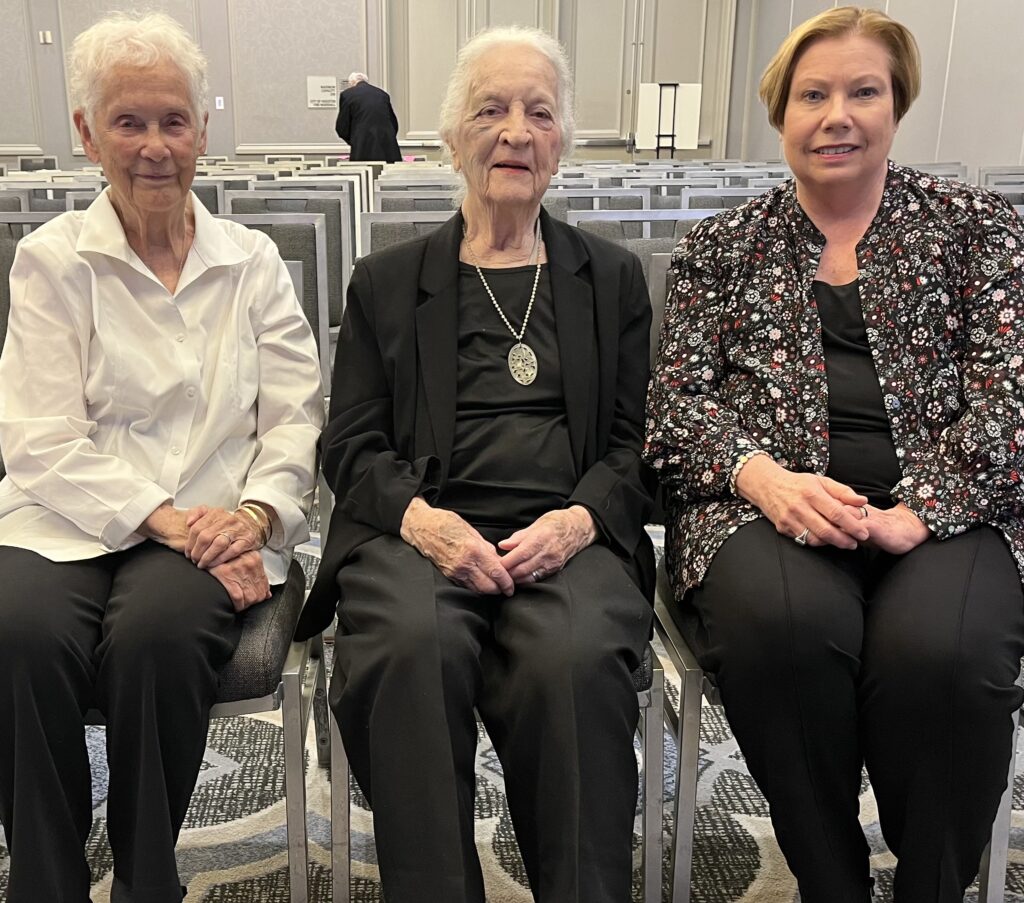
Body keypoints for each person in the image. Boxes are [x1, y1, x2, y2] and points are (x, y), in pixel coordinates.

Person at [645, 6, 1024, 901]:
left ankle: (931, 884)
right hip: (761, 511)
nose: (837, 115)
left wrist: (919, 508)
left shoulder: (975, 229)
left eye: (864, 91)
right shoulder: (721, 245)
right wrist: (765, 478)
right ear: (782, 114)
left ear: (897, 107)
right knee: (786, 634)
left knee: (946, 657)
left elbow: (1011, 397)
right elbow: (674, 408)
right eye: (812, 95)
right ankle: (831, 879)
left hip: (949, 510)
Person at [297, 24, 655, 903]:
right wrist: (422, 522)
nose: (516, 132)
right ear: (453, 136)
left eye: (539, 112)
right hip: (421, 532)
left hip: (567, 534)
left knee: (572, 659)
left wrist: (578, 521)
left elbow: (636, 444)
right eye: (491, 110)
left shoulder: (611, 279)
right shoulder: (387, 281)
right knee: (412, 647)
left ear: (563, 139)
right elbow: (350, 444)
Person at [0, 12, 323, 902]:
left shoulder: (252, 261)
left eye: (173, 121)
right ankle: (47, 880)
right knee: (16, 632)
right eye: (127, 122)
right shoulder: (52, 261)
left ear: (203, 129)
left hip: (217, 520)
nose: (153, 147)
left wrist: (257, 515)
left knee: (156, 636)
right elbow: (36, 435)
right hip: (66, 518)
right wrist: (162, 516)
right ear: (85, 133)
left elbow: (296, 417)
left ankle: (149, 878)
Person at [334, 71, 402, 163]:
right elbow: (393, 123)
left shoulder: (347, 94)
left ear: (352, 83)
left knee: (364, 174)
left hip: (362, 146)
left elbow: (342, 127)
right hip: (387, 146)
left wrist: (355, 139)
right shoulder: (382, 94)